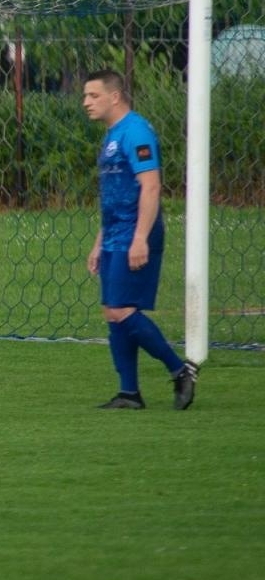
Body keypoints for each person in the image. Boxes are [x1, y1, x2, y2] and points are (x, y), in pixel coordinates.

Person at [82, 69, 198, 410]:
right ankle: (129, 393)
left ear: (115, 96)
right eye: (85, 96)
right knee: (112, 311)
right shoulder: (113, 134)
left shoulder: (136, 131)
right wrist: (99, 242)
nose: (86, 102)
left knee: (122, 309)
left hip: (134, 234)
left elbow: (151, 186)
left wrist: (140, 239)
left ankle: (180, 370)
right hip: (114, 235)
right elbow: (115, 196)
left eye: (93, 95)